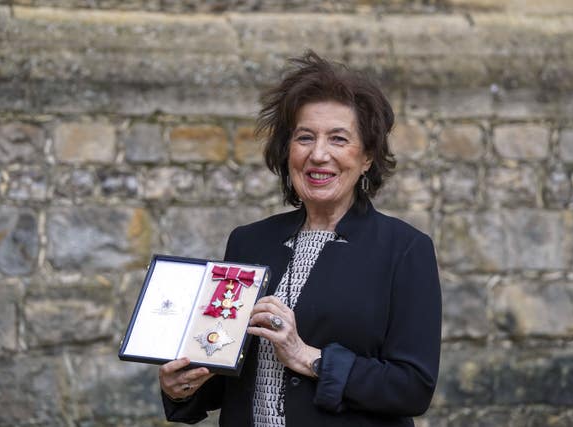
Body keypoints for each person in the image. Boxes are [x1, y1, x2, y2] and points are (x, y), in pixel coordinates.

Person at [158, 50, 441, 427]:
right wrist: (182, 386)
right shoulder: (248, 241)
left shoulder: (405, 249)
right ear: (287, 150)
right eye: (305, 137)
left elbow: (413, 387)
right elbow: (225, 367)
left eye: (338, 139)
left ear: (367, 157)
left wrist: (307, 356)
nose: (318, 154)